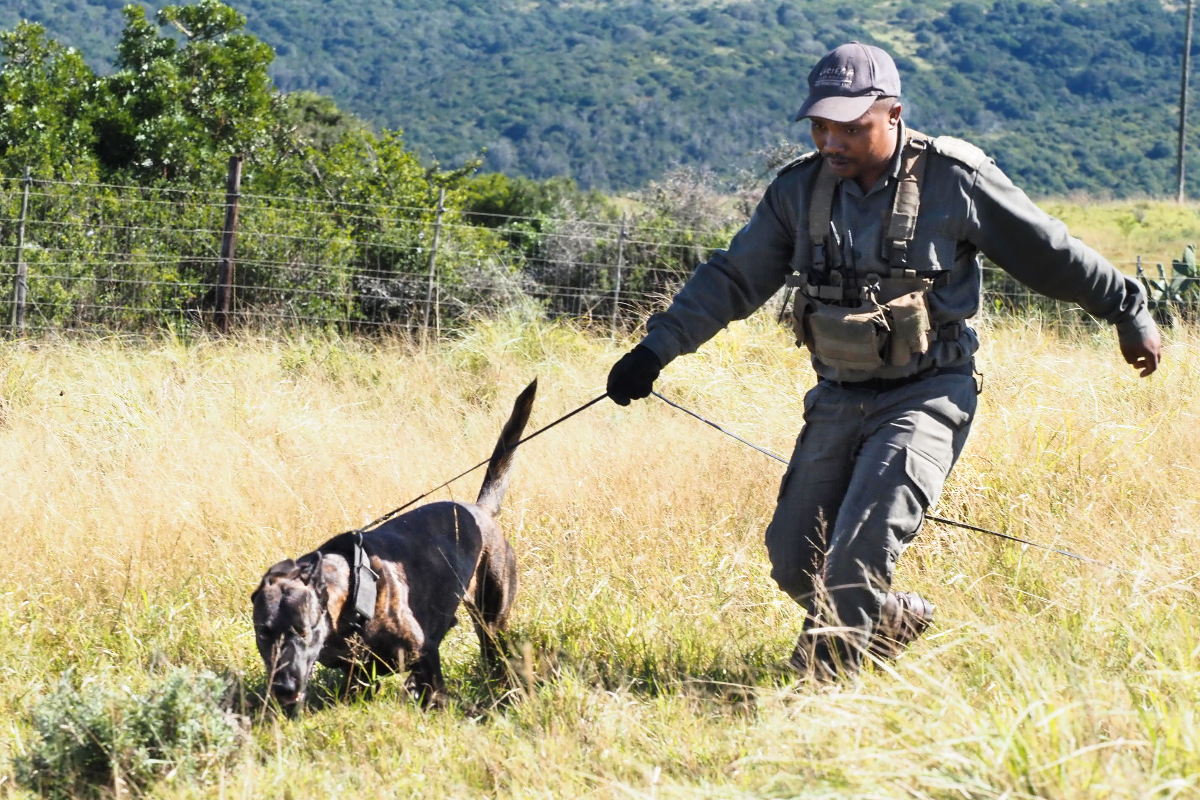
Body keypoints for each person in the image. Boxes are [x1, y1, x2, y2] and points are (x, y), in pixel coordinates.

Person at [606, 42, 1162, 679]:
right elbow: (733, 278)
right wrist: (655, 350)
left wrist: (1127, 308)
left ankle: (819, 702)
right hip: (838, 395)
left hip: (927, 394)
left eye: (850, 127)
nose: (831, 141)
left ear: (893, 113)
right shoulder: (798, 191)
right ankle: (890, 618)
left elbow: (1049, 251)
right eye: (820, 126)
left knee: (854, 560)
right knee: (794, 559)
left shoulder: (956, 179)